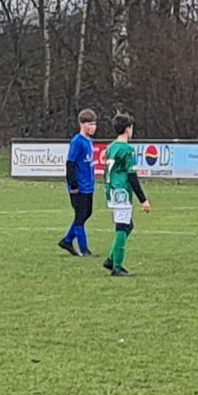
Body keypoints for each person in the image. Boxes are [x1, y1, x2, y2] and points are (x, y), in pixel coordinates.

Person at [102, 113, 151, 277]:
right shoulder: (127, 150)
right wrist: (143, 200)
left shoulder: (111, 147)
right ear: (128, 129)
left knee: (128, 225)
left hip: (111, 190)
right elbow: (132, 176)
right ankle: (117, 267)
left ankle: (111, 258)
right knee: (122, 227)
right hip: (121, 191)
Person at [59, 109, 99, 257]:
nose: (93, 127)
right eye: (89, 124)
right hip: (79, 187)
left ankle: (67, 240)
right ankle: (84, 249)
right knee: (80, 216)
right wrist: (73, 184)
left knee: (86, 213)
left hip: (88, 186)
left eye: (94, 124)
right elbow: (70, 164)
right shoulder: (77, 141)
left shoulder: (89, 142)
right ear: (81, 124)